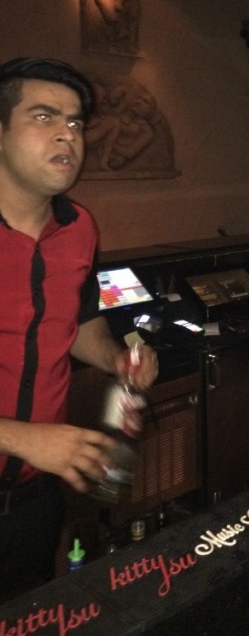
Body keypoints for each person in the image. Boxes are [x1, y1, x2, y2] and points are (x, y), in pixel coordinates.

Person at [0, 57, 158, 600]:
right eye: (43, 116)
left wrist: (115, 358)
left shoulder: (79, 226)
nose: (67, 134)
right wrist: (22, 438)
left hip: (36, 497)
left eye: (74, 122)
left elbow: (81, 319)